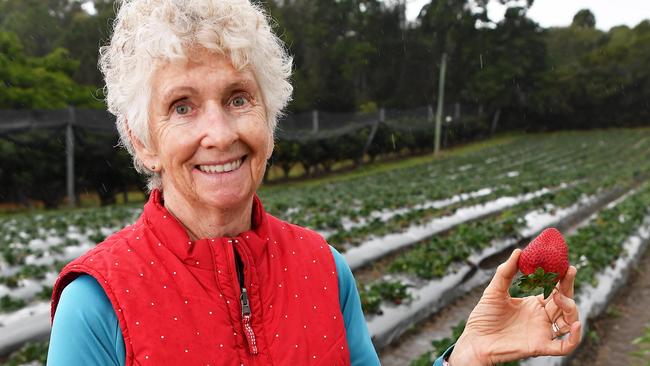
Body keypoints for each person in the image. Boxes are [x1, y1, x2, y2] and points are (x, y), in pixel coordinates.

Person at [46, 0, 581, 365]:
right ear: (143, 141)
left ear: (269, 115)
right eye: (182, 106)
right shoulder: (98, 304)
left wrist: (470, 353)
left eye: (238, 98)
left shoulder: (322, 269)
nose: (220, 132)